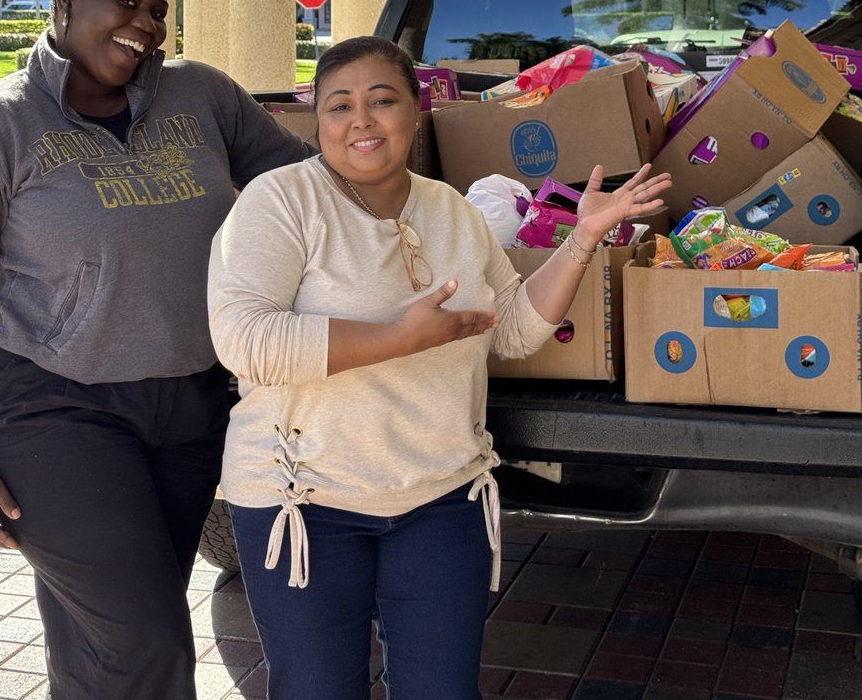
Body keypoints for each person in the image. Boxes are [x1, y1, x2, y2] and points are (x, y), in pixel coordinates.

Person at [207, 35, 671, 700]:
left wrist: (583, 240)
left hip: (441, 498)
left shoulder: (451, 209)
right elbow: (244, 339)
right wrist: (397, 338)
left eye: (381, 100)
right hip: (304, 501)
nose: (361, 120)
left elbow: (512, 328)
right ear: (318, 120)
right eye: (339, 105)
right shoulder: (279, 201)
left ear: (416, 110)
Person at [0, 0, 313, 700]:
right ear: (67, 0)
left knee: (100, 641)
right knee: (147, 639)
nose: (146, 26)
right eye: (127, 3)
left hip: (189, 408)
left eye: (157, 11)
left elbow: (303, 185)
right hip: (51, 410)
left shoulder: (202, 95)